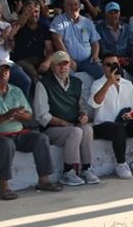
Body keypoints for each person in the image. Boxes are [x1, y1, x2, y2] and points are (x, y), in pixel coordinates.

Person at [0, 58, 63, 200]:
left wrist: (20, 116)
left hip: (17, 133)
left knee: (41, 138)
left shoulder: (16, 91)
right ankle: (4, 186)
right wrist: (4, 117)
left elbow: (29, 116)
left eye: (7, 69)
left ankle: (44, 180)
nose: (4, 73)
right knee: (6, 144)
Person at [34, 51, 98, 186]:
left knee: (87, 129)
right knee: (76, 132)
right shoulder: (44, 84)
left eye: (66, 64)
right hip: (52, 129)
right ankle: (68, 172)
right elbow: (41, 115)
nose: (63, 67)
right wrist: (63, 123)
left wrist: (84, 115)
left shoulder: (76, 83)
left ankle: (86, 169)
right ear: (52, 66)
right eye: (59, 64)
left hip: (72, 125)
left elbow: (82, 106)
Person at [86, 51, 133, 179]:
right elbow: (95, 103)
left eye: (115, 64)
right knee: (118, 129)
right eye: (108, 65)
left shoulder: (128, 84)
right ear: (103, 67)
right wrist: (109, 83)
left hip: (124, 123)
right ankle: (121, 164)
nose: (112, 67)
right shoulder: (97, 84)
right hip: (103, 125)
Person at [49, 0, 102, 79]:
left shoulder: (87, 22)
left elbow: (95, 42)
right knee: (66, 78)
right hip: (66, 59)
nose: (73, 7)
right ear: (64, 7)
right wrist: (68, 59)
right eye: (70, 5)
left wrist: (95, 55)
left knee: (103, 73)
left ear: (80, 6)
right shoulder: (58, 21)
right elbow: (57, 41)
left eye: (76, 4)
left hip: (87, 60)